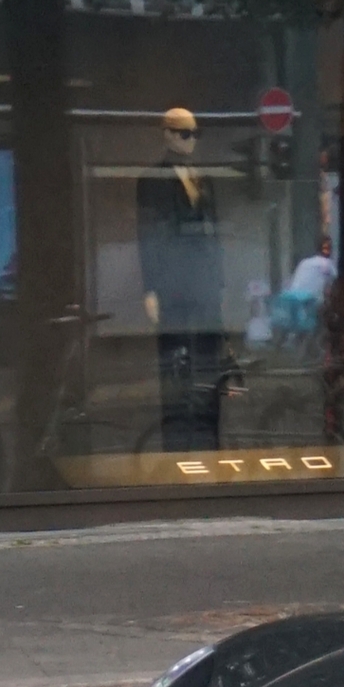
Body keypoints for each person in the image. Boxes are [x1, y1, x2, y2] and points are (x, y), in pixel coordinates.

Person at [137, 107, 224, 449]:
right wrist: (151, 288)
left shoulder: (206, 178)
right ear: (168, 135)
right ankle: (177, 441)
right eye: (185, 134)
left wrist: (219, 280)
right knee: (175, 362)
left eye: (195, 134)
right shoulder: (151, 179)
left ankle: (208, 436)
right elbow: (147, 234)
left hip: (203, 284)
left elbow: (215, 232)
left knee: (208, 362)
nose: (191, 142)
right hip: (173, 284)